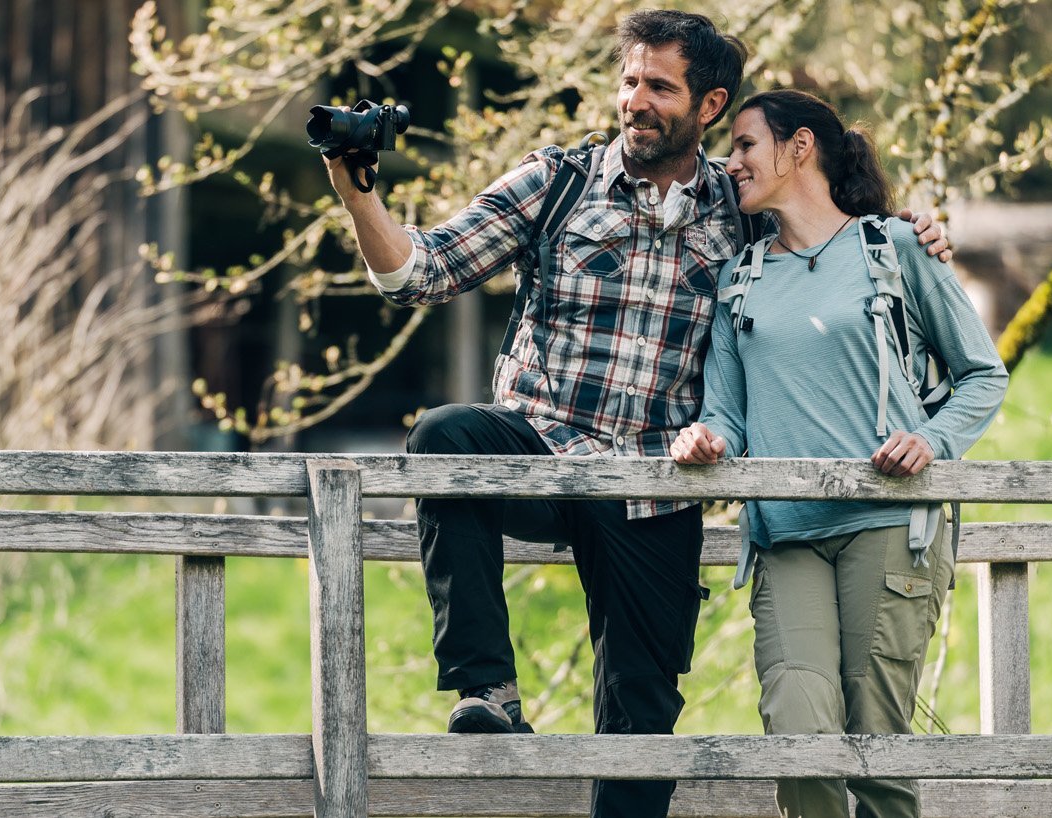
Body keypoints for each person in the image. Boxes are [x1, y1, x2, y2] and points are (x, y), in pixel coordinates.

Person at [324, 11, 948, 817]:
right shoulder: (556, 182)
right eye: (629, 81)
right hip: (543, 449)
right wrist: (356, 196)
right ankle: (488, 687)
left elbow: (832, 233)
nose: (636, 100)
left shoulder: (742, 205)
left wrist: (914, 231)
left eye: (660, 86)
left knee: (643, 718)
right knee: (444, 436)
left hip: (657, 483)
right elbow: (422, 271)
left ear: (710, 104)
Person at [670, 89, 1009, 818]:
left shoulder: (897, 248)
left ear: (800, 149)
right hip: (784, 536)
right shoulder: (743, 277)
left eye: (746, 146)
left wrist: (934, 439)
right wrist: (703, 438)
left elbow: (983, 374)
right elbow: (724, 412)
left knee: (878, 746)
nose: (731, 164)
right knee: (797, 736)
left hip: (889, 530)